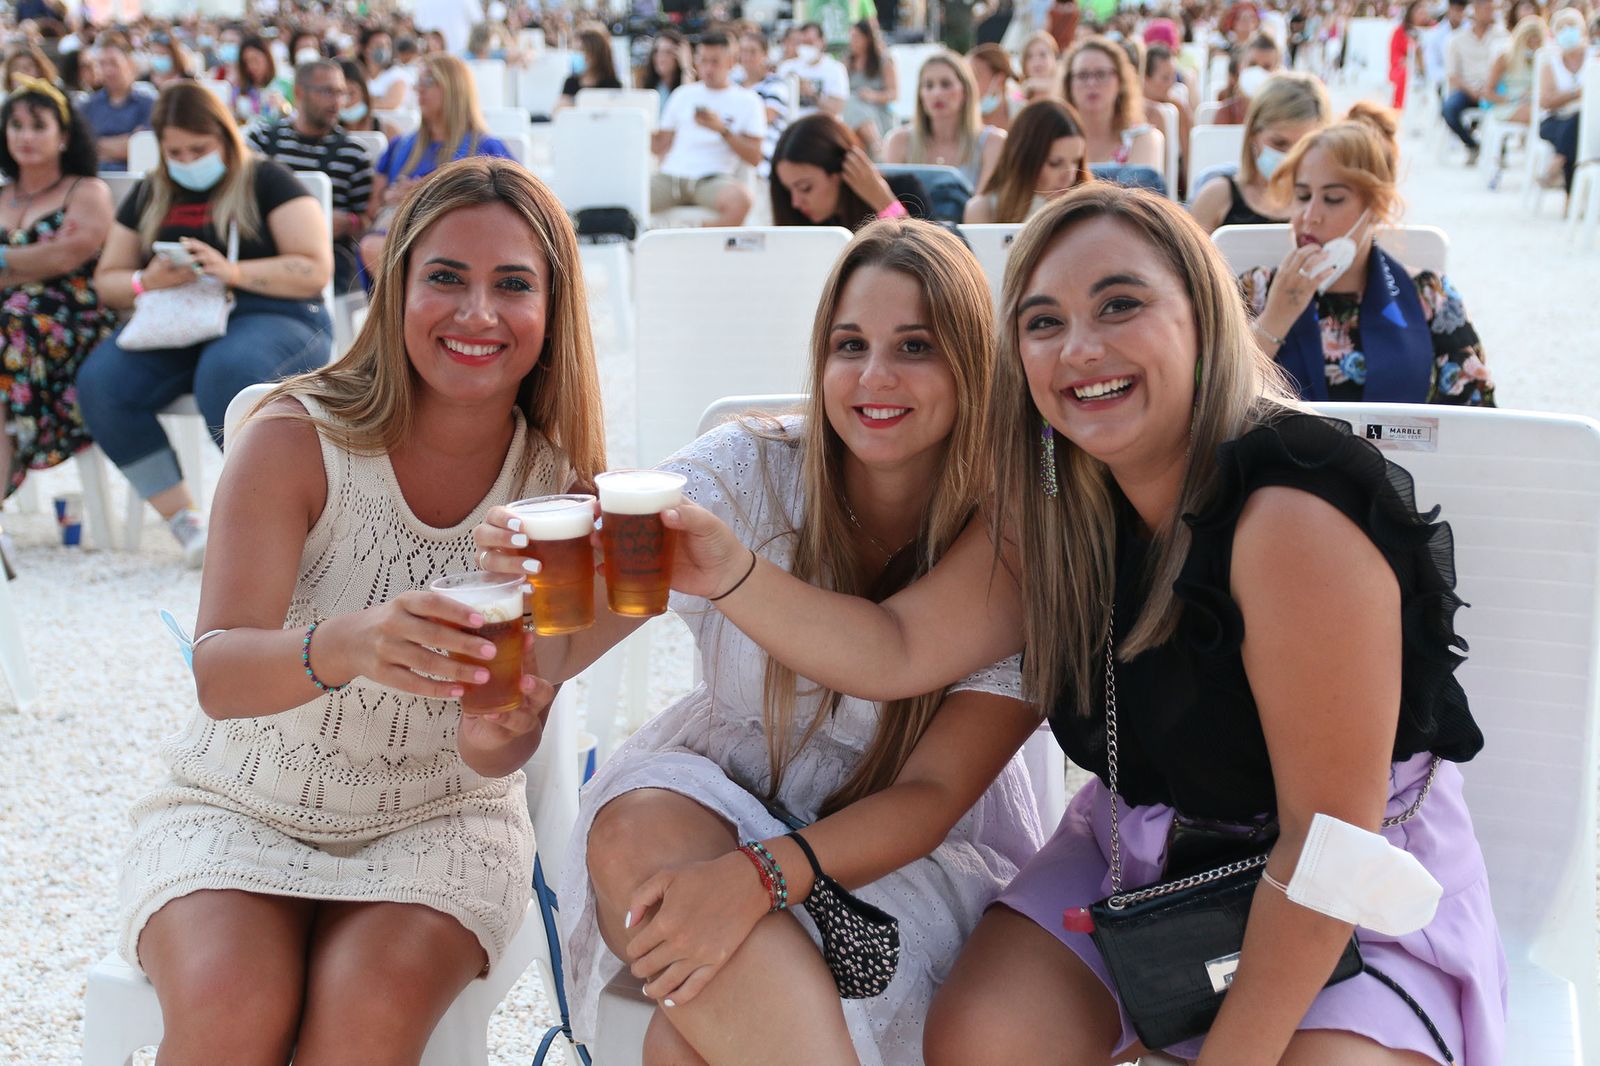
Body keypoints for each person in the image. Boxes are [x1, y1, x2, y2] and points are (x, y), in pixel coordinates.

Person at [656, 181, 1508, 1066]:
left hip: (1344, 881)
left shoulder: (1289, 518)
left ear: (1201, 313)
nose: (1081, 349)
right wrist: (732, 572)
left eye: (1119, 305)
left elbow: (1328, 847)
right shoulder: (1057, 506)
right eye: (1043, 321)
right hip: (1138, 850)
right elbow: (895, 646)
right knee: (985, 1040)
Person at [471, 218, 1042, 1064]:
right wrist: (527, 601)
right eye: (849, 345)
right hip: (722, 790)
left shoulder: (1017, 534)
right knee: (630, 829)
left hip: (898, 845)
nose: (873, 376)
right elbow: (562, 653)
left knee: (680, 1044)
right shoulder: (747, 468)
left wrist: (760, 878)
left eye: (914, 346)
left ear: (974, 365)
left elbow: (928, 793)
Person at [115, 156, 601, 1062]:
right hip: (237, 804)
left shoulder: (559, 493)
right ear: (396, 287)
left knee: (364, 1020)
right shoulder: (294, 436)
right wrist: (350, 643)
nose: (477, 314)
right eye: (446, 278)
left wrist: (512, 718)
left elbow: (494, 746)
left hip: (440, 820)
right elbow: (218, 675)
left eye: (513, 286)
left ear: (552, 310)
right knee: (230, 1009)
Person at [77, 83, 334, 567]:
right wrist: (145, 280)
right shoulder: (154, 191)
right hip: (179, 321)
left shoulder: (267, 180)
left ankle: (273, 515)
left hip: (276, 315)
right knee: (100, 383)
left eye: (199, 149)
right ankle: (185, 521)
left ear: (224, 135)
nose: (187, 160)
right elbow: (107, 282)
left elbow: (314, 269)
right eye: (175, 151)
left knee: (227, 372)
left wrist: (233, 272)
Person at [1240, 105, 1496, 406]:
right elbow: (1209, 406)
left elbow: (1477, 413)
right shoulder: (1254, 290)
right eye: (1303, 196)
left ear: (1376, 209)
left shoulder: (1430, 296)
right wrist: (1274, 320)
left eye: (1333, 199)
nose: (1310, 216)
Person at [0, 81, 116, 504]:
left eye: (38, 125)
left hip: (68, 324)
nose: (25, 136)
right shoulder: (1, 194)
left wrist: (7, 260)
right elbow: (47, 256)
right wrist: (31, 257)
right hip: (13, 330)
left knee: (13, 318)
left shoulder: (85, 191)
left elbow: (67, 258)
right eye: (16, 125)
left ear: (63, 134)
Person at [360, 54, 512, 274]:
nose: (419, 89)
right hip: (399, 238)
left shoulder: (487, 149)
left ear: (454, 88)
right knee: (374, 247)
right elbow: (372, 208)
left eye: (429, 81)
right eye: (418, 82)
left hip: (462, 242)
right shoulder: (401, 146)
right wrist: (390, 197)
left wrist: (425, 196)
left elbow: (510, 210)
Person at [248, 60, 374, 295]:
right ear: (299, 92)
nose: (336, 101)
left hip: (327, 260)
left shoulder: (354, 153)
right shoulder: (263, 140)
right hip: (264, 250)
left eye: (341, 93)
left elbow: (368, 221)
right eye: (327, 92)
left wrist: (350, 223)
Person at [649, 32, 765, 227]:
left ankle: (693, 237)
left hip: (712, 179)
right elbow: (659, 146)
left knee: (741, 201)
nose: (708, 68)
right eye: (703, 61)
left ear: (730, 62)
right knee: (624, 195)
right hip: (670, 177)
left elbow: (755, 157)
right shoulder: (683, 94)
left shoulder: (748, 101)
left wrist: (722, 130)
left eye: (715, 62)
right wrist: (635, 129)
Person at [1189, 71, 1330, 231]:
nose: (1290, 156)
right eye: (1279, 143)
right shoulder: (1216, 198)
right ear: (1253, 135)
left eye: (1303, 146)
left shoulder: (1328, 205)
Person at [772, 113, 929, 227]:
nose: (795, 202)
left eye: (805, 188)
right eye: (788, 190)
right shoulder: (803, 222)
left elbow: (928, 261)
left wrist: (884, 203)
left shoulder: (907, 191)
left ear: (842, 171)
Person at [884, 51, 1007, 191]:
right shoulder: (899, 141)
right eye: (928, 85)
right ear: (920, 94)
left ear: (965, 90)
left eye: (946, 84)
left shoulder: (993, 143)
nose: (936, 93)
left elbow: (984, 207)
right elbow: (888, 206)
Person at [964, 99, 1090, 223]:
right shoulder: (983, 209)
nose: (1070, 176)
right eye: (1055, 163)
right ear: (1025, 159)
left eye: (1075, 161)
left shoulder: (1089, 211)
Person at [1063, 37, 1162, 168]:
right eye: (1082, 75)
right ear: (1069, 84)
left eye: (1101, 74)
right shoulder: (1053, 141)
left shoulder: (1141, 139)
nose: (1092, 83)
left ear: (1120, 82)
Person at [1443, 0, 1507, 164]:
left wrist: (1489, 90)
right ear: (1475, 9)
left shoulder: (1502, 36)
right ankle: (1473, 145)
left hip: (1494, 89)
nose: (1489, 11)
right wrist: (1471, 90)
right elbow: (1452, 75)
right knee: (1449, 109)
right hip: (1467, 90)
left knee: (1505, 108)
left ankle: (1500, 152)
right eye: (1485, 7)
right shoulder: (1456, 39)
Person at [83, 38, 156, 174]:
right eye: (102, 64)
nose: (108, 70)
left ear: (129, 64)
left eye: (113, 63)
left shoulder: (148, 104)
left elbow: (143, 149)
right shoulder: (88, 105)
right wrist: (125, 142)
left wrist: (99, 144)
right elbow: (83, 148)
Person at [1537, 8, 1588, 191]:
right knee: (1574, 128)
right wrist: (1576, 93)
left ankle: (1557, 162)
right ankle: (1570, 197)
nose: (1567, 31)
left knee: (1576, 125)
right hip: (1554, 121)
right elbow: (1546, 102)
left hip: (1586, 121)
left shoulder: (1594, 58)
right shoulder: (1550, 64)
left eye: (1572, 26)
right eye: (1562, 27)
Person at [740, 29, 792, 177]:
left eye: (753, 51)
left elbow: (767, 116)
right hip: (736, 142)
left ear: (764, 54)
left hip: (765, 144)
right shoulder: (732, 81)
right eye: (743, 51)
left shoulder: (776, 83)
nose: (747, 57)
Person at [843, 20, 897, 152]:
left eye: (856, 37)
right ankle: (876, 145)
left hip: (878, 113)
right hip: (852, 115)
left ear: (867, 38)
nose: (852, 41)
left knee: (853, 101)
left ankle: (876, 145)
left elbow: (894, 93)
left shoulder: (883, 61)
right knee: (851, 101)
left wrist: (872, 95)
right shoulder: (847, 61)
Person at [1142, 45, 1193, 184]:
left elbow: (1190, 158)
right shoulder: (1129, 110)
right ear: (1145, 77)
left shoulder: (1179, 108)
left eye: (1173, 77)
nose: (1171, 83)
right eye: (1165, 78)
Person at [779, 22, 850, 119]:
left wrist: (812, 94)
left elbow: (836, 108)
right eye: (801, 43)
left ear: (822, 42)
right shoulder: (787, 67)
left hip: (823, 125)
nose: (805, 47)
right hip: (793, 125)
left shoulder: (836, 69)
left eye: (810, 42)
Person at [1484, 15, 1547, 123]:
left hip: (1534, 104)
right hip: (1508, 105)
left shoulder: (1543, 59)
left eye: (1537, 43)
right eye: (1530, 43)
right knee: (1534, 115)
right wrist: (1512, 99)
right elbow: (1487, 92)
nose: (1533, 47)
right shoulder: (1504, 58)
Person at [556, 25, 623, 110]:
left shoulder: (613, 84)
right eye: (574, 50)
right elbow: (559, 113)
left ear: (595, 53)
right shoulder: (571, 82)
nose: (576, 55)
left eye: (581, 50)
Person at [230, 35, 292, 124]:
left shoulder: (285, 86)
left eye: (255, 60)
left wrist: (283, 106)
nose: (251, 67)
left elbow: (295, 116)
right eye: (246, 62)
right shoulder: (239, 90)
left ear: (267, 57)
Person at [336, 58, 400, 139]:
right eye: (339, 94)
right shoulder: (323, 136)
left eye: (351, 93)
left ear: (364, 92)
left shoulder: (389, 133)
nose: (346, 102)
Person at [967, 43, 1024, 131]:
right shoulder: (963, 120)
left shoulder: (1025, 114)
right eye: (967, 77)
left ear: (999, 80)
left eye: (975, 76)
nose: (968, 84)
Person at [1390, 0, 1432, 109]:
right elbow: (1395, 55)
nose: (1422, 12)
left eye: (1424, 10)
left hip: (1429, 66)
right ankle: (1398, 109)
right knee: (1405, 74)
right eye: (1419, 10)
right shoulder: (1401, 31)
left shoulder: (1434, 29)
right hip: (1405, 68)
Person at [640, 29, 694, 112]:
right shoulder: (650, 87)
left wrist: (686, 68)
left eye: (668, 52)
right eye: (657, 51)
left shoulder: (688, 85)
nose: (661, 58)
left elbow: (688, 105)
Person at [1422, 0, 1468, 92]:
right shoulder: (1436, 34)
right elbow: (1432, 67)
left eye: (1461, 9)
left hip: (1471, 82)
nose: (1459, 13)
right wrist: (1450, 77)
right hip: (1445, 85)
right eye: (1456, 9)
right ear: (1449, 9)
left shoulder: (1471, 29)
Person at [360, 28, 408, 111]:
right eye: (379, 46)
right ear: (366, 49)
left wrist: (361, 102)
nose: (384, 49)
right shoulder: (359, 73)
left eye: (388, 45)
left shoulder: (397, 74)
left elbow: (391, 103)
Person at [415, 0, 484, 55]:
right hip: (461, 55)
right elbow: (479, 23)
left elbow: (419, 26)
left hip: (440, 57)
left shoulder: (422, 2)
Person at [1020, 30, 1061, 102]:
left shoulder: (1068, 93)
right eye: (1029, 56)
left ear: (1054, 57)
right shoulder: (1017, 98)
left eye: (1043, 55)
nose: (1036, 62)